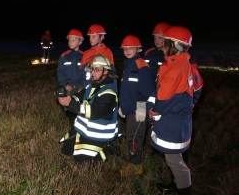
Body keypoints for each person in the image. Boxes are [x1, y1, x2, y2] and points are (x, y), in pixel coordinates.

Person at [147, 26, 194, 195]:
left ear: (173, 45)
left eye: (165, 42)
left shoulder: (175, 69)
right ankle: (176, 185)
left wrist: (152, 113)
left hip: (172, 123)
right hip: (178, 121)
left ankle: (184, 190)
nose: (163, 46)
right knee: (175, 159)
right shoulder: (181, 64)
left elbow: (164, 99)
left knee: (174, 161)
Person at [58, 55, 120, 164]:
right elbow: (81, 96)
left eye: (97, 70)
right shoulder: (91, 86)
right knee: (66, 150)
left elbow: (93, 112)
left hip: (99, 135)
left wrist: (71, 103)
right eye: (92, 69)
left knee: (83, 163)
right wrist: (70, 99)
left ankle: (108, 148)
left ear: (106, 72)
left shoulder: (109, 94)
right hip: (84, 132)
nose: (92, 73)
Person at [118, 35, 155, 176]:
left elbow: (150, 91)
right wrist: (123, 106)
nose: (127, 51)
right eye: (125, 48)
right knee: (131, 138)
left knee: (134, 140)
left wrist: (142, 108)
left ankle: (137, 167)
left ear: (138, 48)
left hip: (138, 111)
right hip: (130, 110)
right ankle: (134, 162)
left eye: (131, 48)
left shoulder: (142, 65)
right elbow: (127, 89)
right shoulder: (128, 65)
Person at [57, 29, 84, 130]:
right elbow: (60, 73)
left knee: (80, 110)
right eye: (69, 40)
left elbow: (87, 74)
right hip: (69, 87)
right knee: (71, 111)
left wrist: (83, 86)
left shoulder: (84, 56)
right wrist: (64, 84)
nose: (71, 42)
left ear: (80, 42)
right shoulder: (64, 56)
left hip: (80, 88)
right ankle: (73, 131)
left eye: (74, 40)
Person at [79, 24, 117, 92]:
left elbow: (112, 75)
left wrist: (113, 93)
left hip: (100, 90)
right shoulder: (86, 53)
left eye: (94, 36)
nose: (91, 39)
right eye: (90, 36)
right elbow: (81, 73)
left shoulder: (107, 52)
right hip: (86, 89)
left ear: (102, 37)